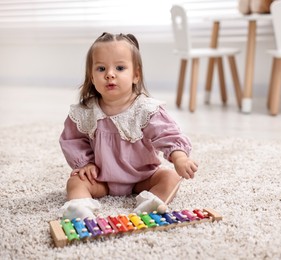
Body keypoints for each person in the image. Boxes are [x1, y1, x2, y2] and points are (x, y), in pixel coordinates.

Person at [59, 32, 198, 220]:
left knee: (170, 178)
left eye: (120, 67)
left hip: (143, 177)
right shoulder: (85, 111)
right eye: (101, 69)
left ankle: (150, 203)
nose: (110, 74)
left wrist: (179, 157)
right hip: (101, 179)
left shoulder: (145, 109)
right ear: (91, 76)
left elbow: (167, 134)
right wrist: (85, 163)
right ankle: (80, 208)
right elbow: (72, 140)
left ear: (136, 75)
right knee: (75, 182)